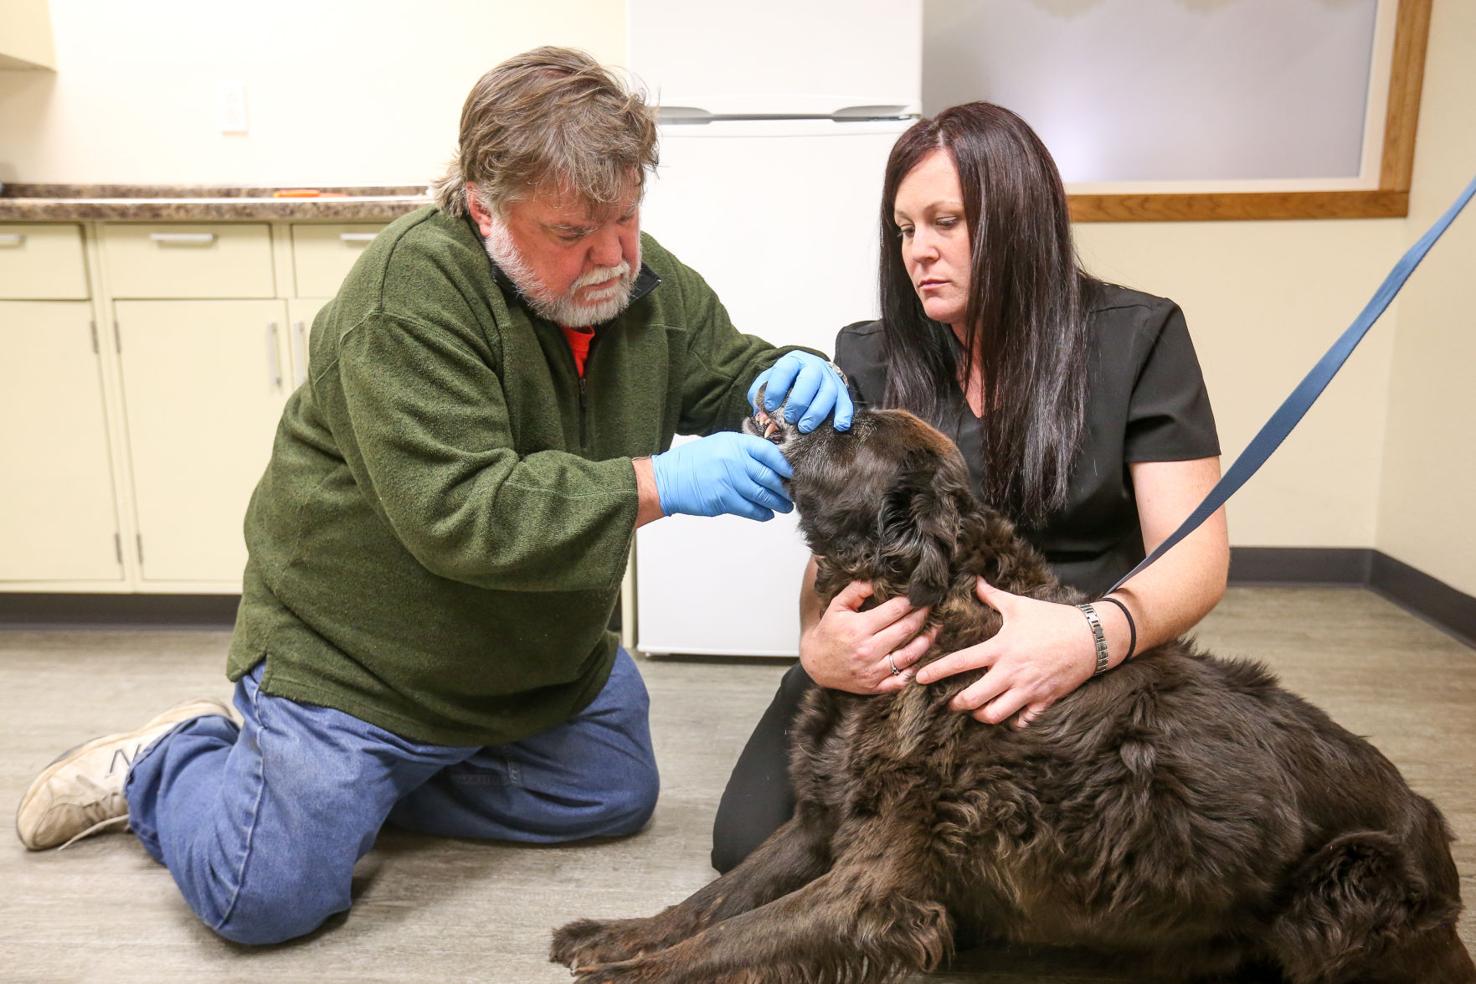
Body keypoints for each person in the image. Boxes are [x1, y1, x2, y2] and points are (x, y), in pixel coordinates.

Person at [14, 47, 852, 945]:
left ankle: (352, 789)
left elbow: (724, 369)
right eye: (573, 233)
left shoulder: (638, 281)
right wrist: (663, 482)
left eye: (627, 216)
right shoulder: (409, 295)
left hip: (528, 658)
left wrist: (782, 375)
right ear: (484, 209)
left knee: (612, 795)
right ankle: (171, 761)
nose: (614, 254)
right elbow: (462, 512)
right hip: (366, 664)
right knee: (264, 898)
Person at [713, 101, 1230, 872]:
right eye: (904, 229)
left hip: (1073, 659)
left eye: (944, 222)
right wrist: (819, 644)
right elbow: (835, 550)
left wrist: (1091, 639)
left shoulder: (1137, 337)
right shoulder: (870, 355)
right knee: (748, 847)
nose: (918, 251)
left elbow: (1195, 561)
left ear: (1017, 221)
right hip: (906, 664)